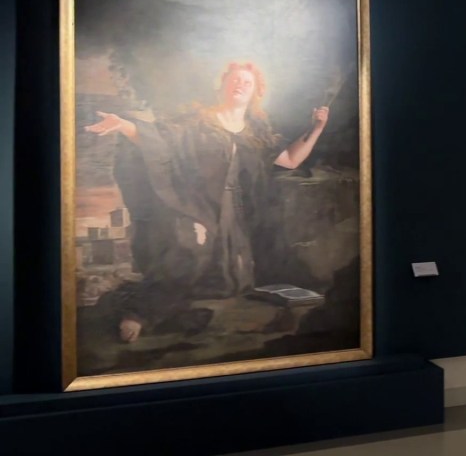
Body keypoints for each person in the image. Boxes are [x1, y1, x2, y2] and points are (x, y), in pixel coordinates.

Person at [85, 61, 330, 342]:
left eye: (247, 83)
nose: (240, 85)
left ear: (255, 92)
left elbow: (290, 160)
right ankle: (139, 314)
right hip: (195, 205)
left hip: (234, 212)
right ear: (222, 85)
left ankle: (178, 311)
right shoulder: (197, 124)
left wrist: (318, 128)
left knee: (230, 282)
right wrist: (124, 125)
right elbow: (159, 140)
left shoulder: (255, 133)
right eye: (235, 80)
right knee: (190, 253)